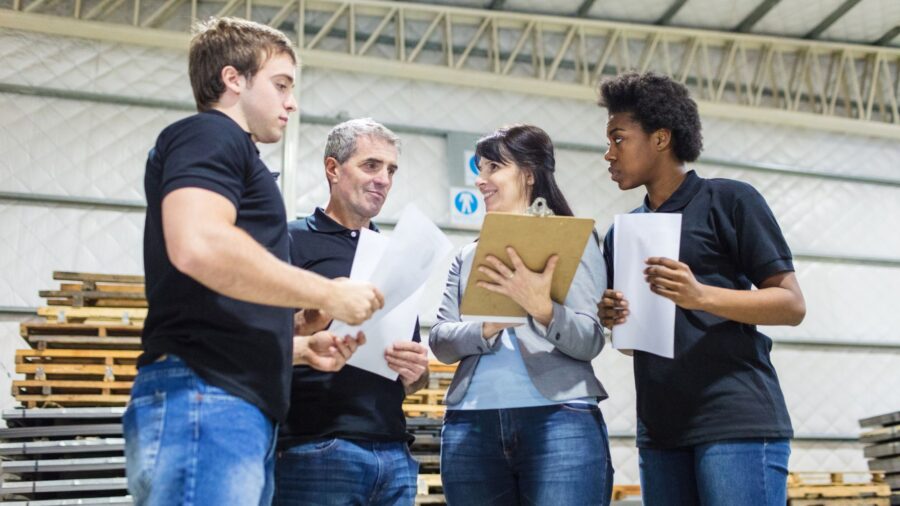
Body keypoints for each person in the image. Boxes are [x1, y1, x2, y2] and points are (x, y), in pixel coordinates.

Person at [125, 18, 383, 506]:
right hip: (207, 399)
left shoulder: (235, 154)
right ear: (233, 80)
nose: (292, 101)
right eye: (281, 85)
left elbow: (214, 303)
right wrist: (326, 292)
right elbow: (198, 243)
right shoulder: (210, 133)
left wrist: (300, 348)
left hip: (231, 403)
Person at [597, 71, 806, 505]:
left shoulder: (729, 200)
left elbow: (791, 304)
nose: (608, 154)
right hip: (660, 431)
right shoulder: (624, 234)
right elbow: (636, 346)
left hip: (736, 421)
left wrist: (700, 295)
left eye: (619, 139)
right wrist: (617, 321)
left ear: (660, 138)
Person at [430, 124, 614, 505]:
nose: (481, 180)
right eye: (480, 170)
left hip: (560, 417)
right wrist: (489, 324)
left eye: (493, 167)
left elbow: (590, 340)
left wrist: (541, 308)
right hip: (471, 421)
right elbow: (442, 341)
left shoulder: (573, 241)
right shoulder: (467, 257)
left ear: (529, 174)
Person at [274, 118, 430, 506]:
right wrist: (315, 315)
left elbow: (412, 376)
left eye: (391, 170)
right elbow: (257, 340)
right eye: (371, 165)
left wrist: (416, 373)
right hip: (317, 448)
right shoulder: (288, 241)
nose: (384, 179)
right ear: (333, 169)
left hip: (393, 453)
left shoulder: (393, 256)